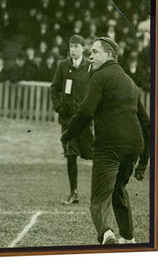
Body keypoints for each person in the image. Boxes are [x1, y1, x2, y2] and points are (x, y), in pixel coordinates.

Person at [61, 37, 150, 244]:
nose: (90, 56)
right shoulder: (130, 81)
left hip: (109, 145)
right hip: (133, 146)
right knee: (119, 189)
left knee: (100, 197)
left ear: (109, 54)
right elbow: (147, 124)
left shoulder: (99, 77)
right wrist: (144, 161)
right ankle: (128, 238)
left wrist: (67, 135)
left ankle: (107, 234)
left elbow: (85, 112)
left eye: (95, 52)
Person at [50, 35, 94, 205]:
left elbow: (96, 90)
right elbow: (54, 89)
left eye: (76, 46)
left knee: (91, 153)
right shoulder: (63, 66)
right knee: (70, 153)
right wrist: (59, 107)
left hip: (84, 119)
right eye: (71, 46)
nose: (73, 50)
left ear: (83, 48)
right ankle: (73, 192)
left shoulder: (90, 67)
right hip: (67, 120)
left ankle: (102, 191)